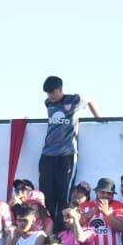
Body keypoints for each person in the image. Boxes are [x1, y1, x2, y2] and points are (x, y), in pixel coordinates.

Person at [38, 76, 100, 224]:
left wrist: (98, 117)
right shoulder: (48, 103)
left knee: (64, 194)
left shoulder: (73, 100)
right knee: (47, 194)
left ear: (60, 89)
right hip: (47, 154)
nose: (50, 96)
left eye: (52, 92)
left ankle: (63, 227)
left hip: (66, 155)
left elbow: (90, 100)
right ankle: (49, 226)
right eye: (47, 93)